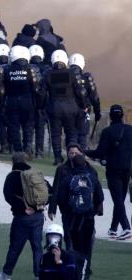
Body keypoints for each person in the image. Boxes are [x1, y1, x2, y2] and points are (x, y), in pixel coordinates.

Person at [0, 153, 50, 280]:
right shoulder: (35, 175)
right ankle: (38, 275)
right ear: (26, 160)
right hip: (38, 217)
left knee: (15, 247)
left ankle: (6, 275)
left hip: (21, 217)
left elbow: (8, 196)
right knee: (37, 248)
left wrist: (23, 209)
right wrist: (37, 208)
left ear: (13, 162)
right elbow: (48, 193)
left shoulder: (12, 176)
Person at [85, 104, 132, 240]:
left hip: (113, 170)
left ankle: (126, 227)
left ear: (111, 116)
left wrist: (86, 152)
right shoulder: (130, 130)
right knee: (120, 200)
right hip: (127, 169)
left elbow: (100, 152)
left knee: (117, 199)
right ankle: (113, 229)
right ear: (122, 115)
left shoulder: (107, 131)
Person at [52, 153, 103, 279]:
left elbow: (60, 198)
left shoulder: (68, 179)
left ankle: (72, 273)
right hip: (88, 220)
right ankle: (84, 274)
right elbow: (100, 197)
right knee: (86, 249)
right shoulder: (92, 178)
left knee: (72, 247)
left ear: (73, 164)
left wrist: (66, 211)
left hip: (71, 219)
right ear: (85, 164)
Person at [44, 50, 87, 166]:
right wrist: (84, 106)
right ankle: (71, 157)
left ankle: (57, 158)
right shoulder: (71, 73)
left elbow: (41, 93)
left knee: (55, 134)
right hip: (70, 108)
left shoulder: (48, 74)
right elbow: (81, 92)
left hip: (54, 108)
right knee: (71, 133)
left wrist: (42, 107)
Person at [3, 46, 38, 156]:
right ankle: (27, 148)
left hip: (12, 101)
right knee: (28, 126)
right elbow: (36, 88)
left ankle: (18, 150)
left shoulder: (7, 70)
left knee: (14, 127)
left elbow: (4, 88)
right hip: (27, 101)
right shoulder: (30, 70)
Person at [69, 53, 100, 149]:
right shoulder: (87, 77)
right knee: (82, 135)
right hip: (83, 110)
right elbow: (94, 97)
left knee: (71, 135)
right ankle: (81, 156)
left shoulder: (64, 76)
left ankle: (72, 155)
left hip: (69, 110)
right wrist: (97, 113)